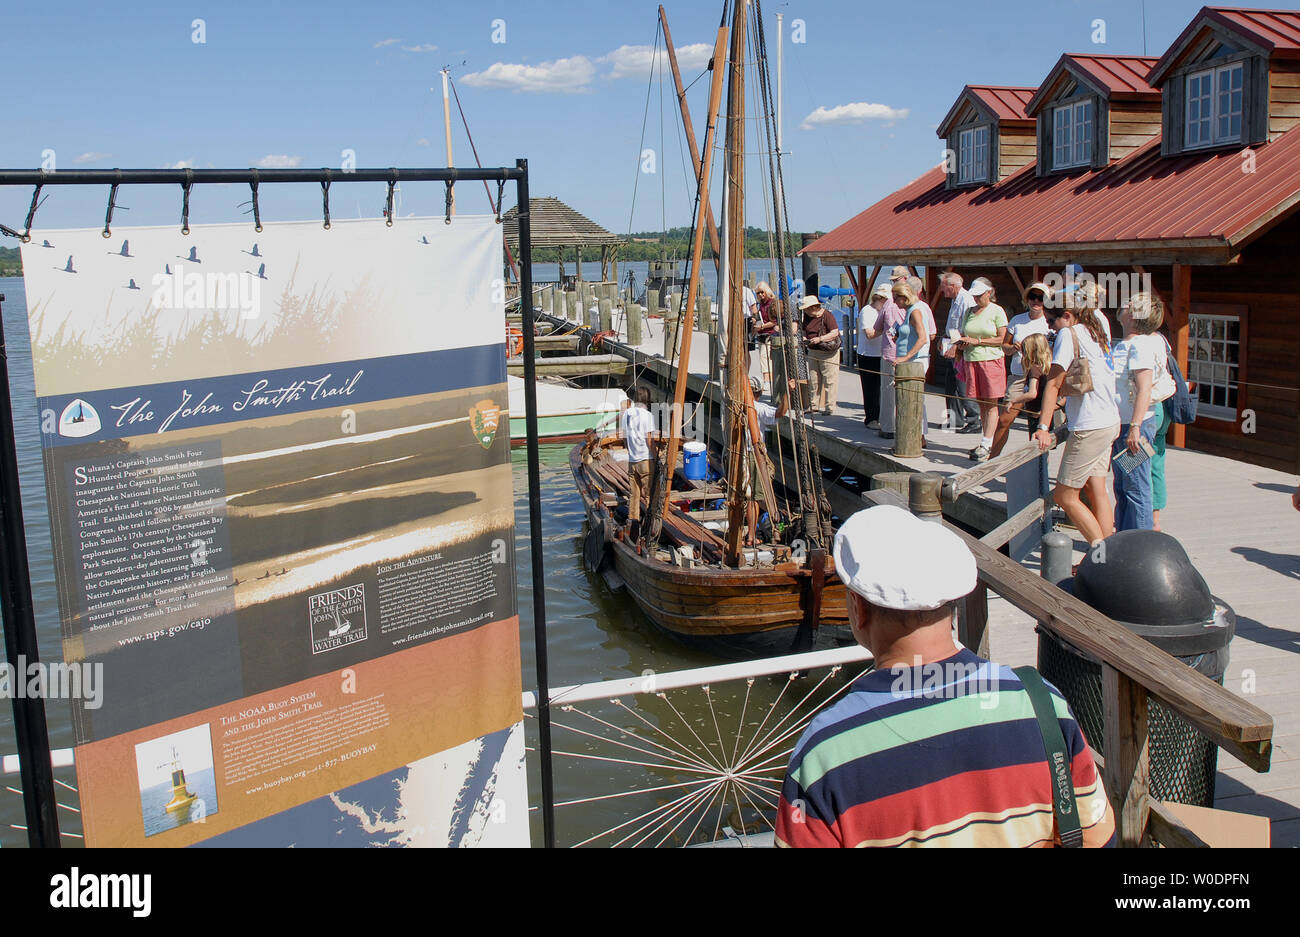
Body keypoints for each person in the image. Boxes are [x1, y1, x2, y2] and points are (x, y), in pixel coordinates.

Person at [775, 504, 1115, 848]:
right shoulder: (1042, 701)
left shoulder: (824, 752)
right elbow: (1097, 834)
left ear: (859, 610)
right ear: (952, 604)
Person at [1033, 282, 1120, 547]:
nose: (1051, 326)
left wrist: (1044, 427)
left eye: (1052, 320)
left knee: (1064, 495)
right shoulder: (1099, 325)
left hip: (1090, 425)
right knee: (1097, 490)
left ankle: (1100, 555)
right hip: (1110, 420)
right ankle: (1108, 551)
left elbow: (1054, 383)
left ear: (1068, 316)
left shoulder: (1069, 334)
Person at [1111, 292, 1169, 532]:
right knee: (1123, 487)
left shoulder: (1141, 345)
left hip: (1135, 426)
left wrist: (1134, 428)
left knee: (1136, 487)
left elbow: (1144, 389)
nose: (1122, 306)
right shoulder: (1128, 344)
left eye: (1128, 304)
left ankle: (1142, 544)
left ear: (1134, 315)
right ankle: (1124, 539)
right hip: (1122, 424)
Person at [991, 282, 1054, 457]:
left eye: (1041, 298)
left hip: (1041, 376)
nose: (1036, 301)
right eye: (1032, 297)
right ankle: (991, 460)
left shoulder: (1050, 322)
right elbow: (1005, 345)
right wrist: (1011, 349)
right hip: (1019, 374)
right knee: (1004, 420)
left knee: (1036, 422)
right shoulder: (1017, 319)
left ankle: (1037, 465)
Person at [952, 278, 1008, 462]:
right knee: (981, 403)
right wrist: (961, 343)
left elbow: (1002, 339)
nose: (976, 299)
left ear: (988, 293)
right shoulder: (969, 311)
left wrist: (979, 341)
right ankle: (986, 440)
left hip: (991, 360)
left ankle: (987, 442)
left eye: (979, 295)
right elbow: (965, 333)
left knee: (991, 403)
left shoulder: (997, 310)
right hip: (971, 359)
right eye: (974, 295)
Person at [938, 273, 981, 433]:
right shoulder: (955, 300)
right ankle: (955, 419)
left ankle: (974, 419)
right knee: (951, 384)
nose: (942, 289)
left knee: (963, 385)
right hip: (949, 342)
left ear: (953, 286)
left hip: (960, 348)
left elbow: (965, 327)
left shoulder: (966, 299)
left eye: (944, 286)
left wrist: (955, 347)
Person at [862, 284, 906, 440]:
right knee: (878, 390)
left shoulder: (889, 306)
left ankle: (888, 426)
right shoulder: (868, 311)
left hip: (890, 354)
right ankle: (878, 420)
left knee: (888, 391)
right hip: (879, 354)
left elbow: (875, 329)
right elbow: (870, 332)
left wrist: (886, 329)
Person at [890, 280, 931, 448]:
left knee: (910, 400)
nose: (893, 302)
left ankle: (914, 438)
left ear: (904, 297)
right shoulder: (910, 311)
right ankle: (917, 436)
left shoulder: (915, 311)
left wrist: (905, 357)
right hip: (909, 360)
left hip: (914, 361)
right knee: (912, 399)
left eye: (895, 298)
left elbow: (923, 338)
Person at [616, 386, 657, 544]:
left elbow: (625, 438)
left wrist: (630, 450)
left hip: (632, 461)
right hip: (645, 460)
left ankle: (633, 527)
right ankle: (649, 528)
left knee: (634, 496)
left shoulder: (626, 414)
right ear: (647, 400)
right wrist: (655, 457)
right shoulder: (648, 415)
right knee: (648, 496)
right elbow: (649, 440)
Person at [800, 295, 840, 415]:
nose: (806, 311)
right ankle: (813, 405)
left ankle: (830, 407)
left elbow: (835, 332)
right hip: (813, 350)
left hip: (827, 352)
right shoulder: (806, 316)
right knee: (814, 379)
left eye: (807, 309)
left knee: (829, 379)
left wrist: (820, 339)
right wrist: (804, 338)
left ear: (814, 307)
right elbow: (803, 330)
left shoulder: (827, 315)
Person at [857, 285, 885, 429]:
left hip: (882, 354)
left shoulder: (885, 311)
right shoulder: (867, 311)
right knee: (871, 388)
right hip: (868, 354)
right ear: (879, 299)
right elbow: (869, 334)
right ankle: (871, 418)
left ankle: (881, 416)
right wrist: (885, 329)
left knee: (882, 388)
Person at [752, 281, 780, 390]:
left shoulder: (772, 304)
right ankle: (767, 379)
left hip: (770, 334)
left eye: (762, 292)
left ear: (766, 291)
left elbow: (774, 321)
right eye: (758, 293)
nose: (760, 295)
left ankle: (768, 380)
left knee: (765, 357)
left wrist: (762, 327)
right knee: (763, 357)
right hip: (761, 334)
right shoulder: (761, 305)